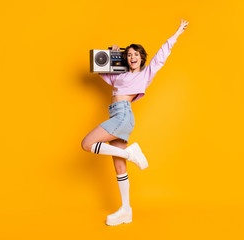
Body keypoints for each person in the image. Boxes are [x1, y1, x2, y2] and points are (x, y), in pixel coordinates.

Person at [81, 18, 189, 226]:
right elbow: (99, 68)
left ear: (141, 58)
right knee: (120, 168)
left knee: (87, 144)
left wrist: (176, 35)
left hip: (123, 116)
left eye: (135, 55)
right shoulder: (119, 75)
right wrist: (113, 55)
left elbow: (161, 57)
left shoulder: (145, 74)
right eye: (128, 54)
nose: (132, 57)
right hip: (116, 116)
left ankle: (131, 153)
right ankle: (125, 210)